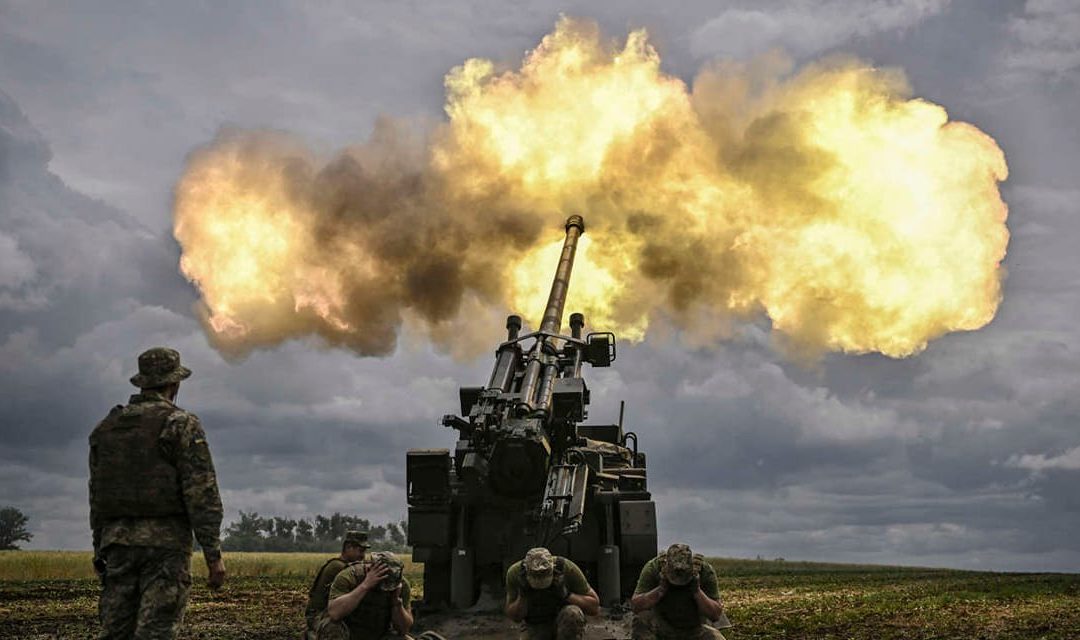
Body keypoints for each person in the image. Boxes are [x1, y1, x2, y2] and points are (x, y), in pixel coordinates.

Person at [88, 347, 226, 639]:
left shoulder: (106, 429)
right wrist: (213, 555)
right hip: (165, 547)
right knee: (156, 631)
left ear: (142, 382)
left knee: (115, 631)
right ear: (174, 384)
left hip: (117, 545)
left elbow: (97, 496)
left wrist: (99, 549)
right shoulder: (180, 424)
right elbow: (201, 493)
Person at [630, 543, 731, 640]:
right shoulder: (653, 568)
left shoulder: (705, 571)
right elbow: (636, 606)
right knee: (641, 621)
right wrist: (660, 589)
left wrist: (697, 591)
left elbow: (715, 614)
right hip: (661, 626)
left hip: (695, 628)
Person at [504, 547, 600, 640]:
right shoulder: (515, 574)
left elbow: (594, 608)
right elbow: (514, 617)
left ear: (553, 570)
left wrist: (567, 595)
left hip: (563, 621)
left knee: (572, 613)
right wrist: (522, 595)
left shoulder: (567, 569)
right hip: (534, 624)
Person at [320, 551, 414, 639]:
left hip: (378, 631)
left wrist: (396, 603)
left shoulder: (401, 585)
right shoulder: (350, 576)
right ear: (370, 568)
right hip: (348, 630)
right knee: (332, 627)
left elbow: (404, 629)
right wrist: (365, 585)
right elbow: (335, 613)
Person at [305, 530, 370, 639]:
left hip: (329, 611)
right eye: (360, 551)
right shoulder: (339, 568)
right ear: (349, 547)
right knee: (337, 631)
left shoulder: (342, 565)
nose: (363, 556)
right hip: (319, 615)